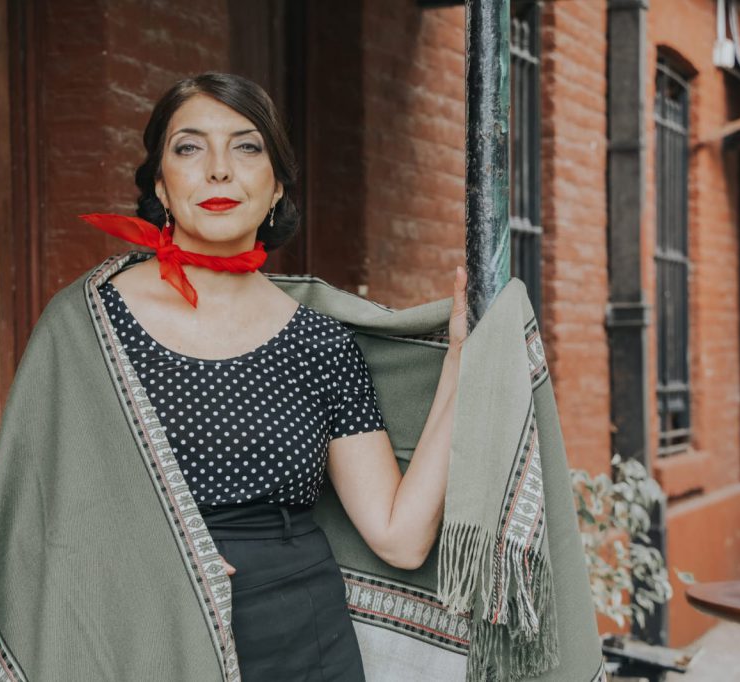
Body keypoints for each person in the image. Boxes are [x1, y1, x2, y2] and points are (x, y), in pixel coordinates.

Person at [78, 71, 468, 681]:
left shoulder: (321, 344)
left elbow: (400, 537)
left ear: (276, 187)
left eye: (246, 147)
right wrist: (154, 551)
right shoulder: (94, 324)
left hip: (302, 640)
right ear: (160, 183)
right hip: (141, 635)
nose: (218, 169)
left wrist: (460, 365)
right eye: (189, 147)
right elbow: (45, 505)